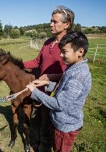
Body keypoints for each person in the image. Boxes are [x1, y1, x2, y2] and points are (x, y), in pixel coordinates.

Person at [26, 31, 92, 152]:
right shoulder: (73, 67)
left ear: (80, 52)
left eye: (64, 51)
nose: (61, 55)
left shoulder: (78, 76)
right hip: (62, 123)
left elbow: (59, 104)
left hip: (65, 128)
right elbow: (64, 89)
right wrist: (47, 83)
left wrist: (35, 91)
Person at [23, 5, 75, 152]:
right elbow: (37, 62)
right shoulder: (47, 42)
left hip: (53, 95)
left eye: (55, 21)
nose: (50, 24)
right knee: (35, 122)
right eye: (50, 21)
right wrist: (17, 63)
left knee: (46, 127)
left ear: (67, 24)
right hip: (38, 91)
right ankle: (38, 143)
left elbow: (71, 73)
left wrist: (52, 76)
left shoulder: (70, 46)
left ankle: (43, 147)